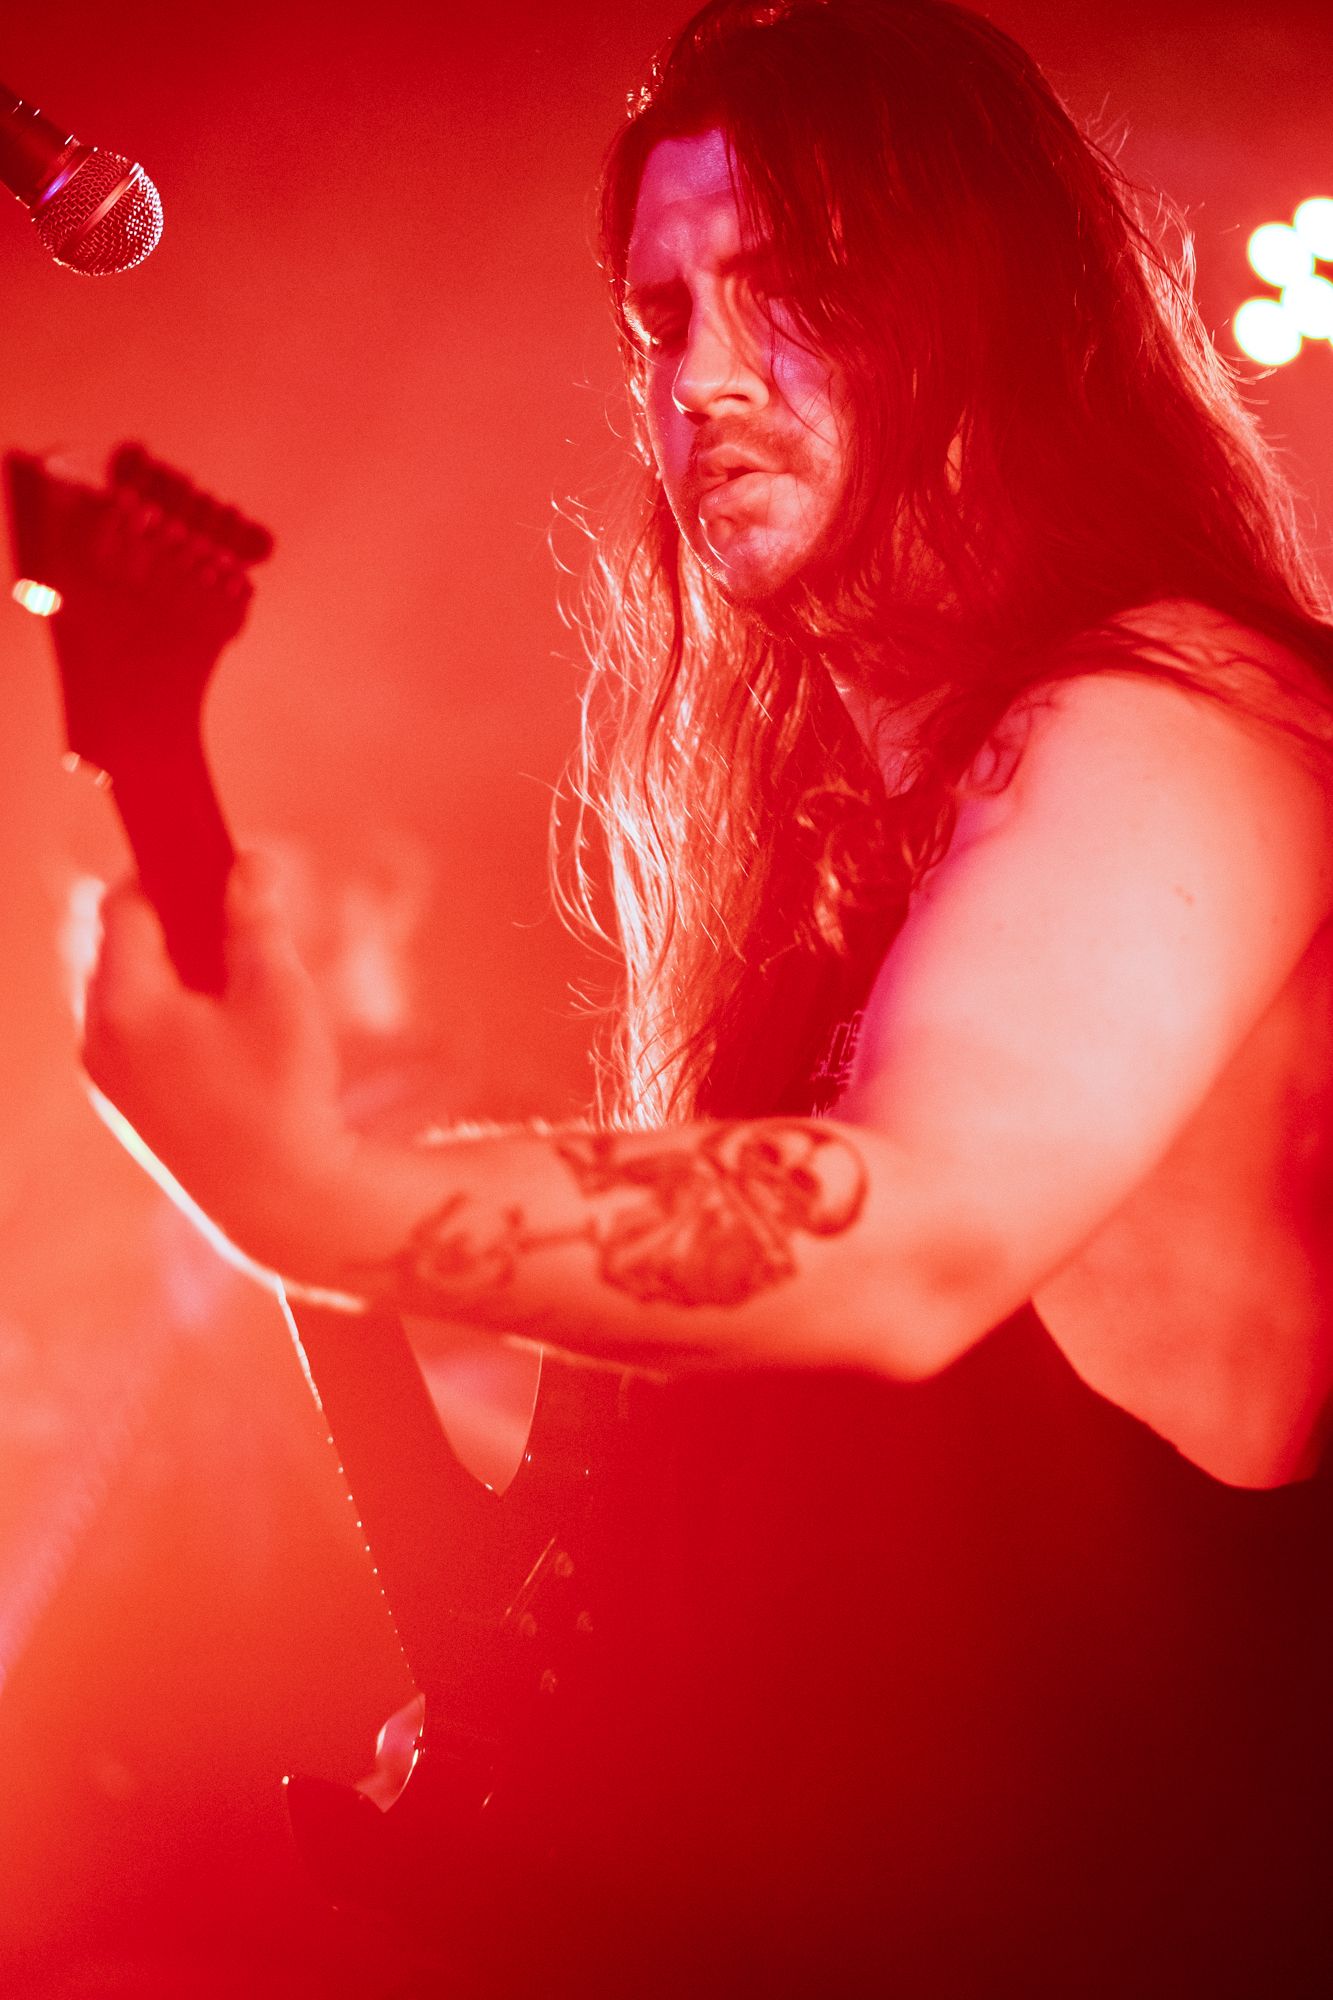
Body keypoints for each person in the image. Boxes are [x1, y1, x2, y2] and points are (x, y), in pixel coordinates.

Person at [79, 1, 1333, 1992]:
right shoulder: (822, 891)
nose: (708, 380)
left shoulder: (1183, 717)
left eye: (796, 292)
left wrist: (315, 1193)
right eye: (661, 320)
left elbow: (918, 1234)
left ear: (994, 313)